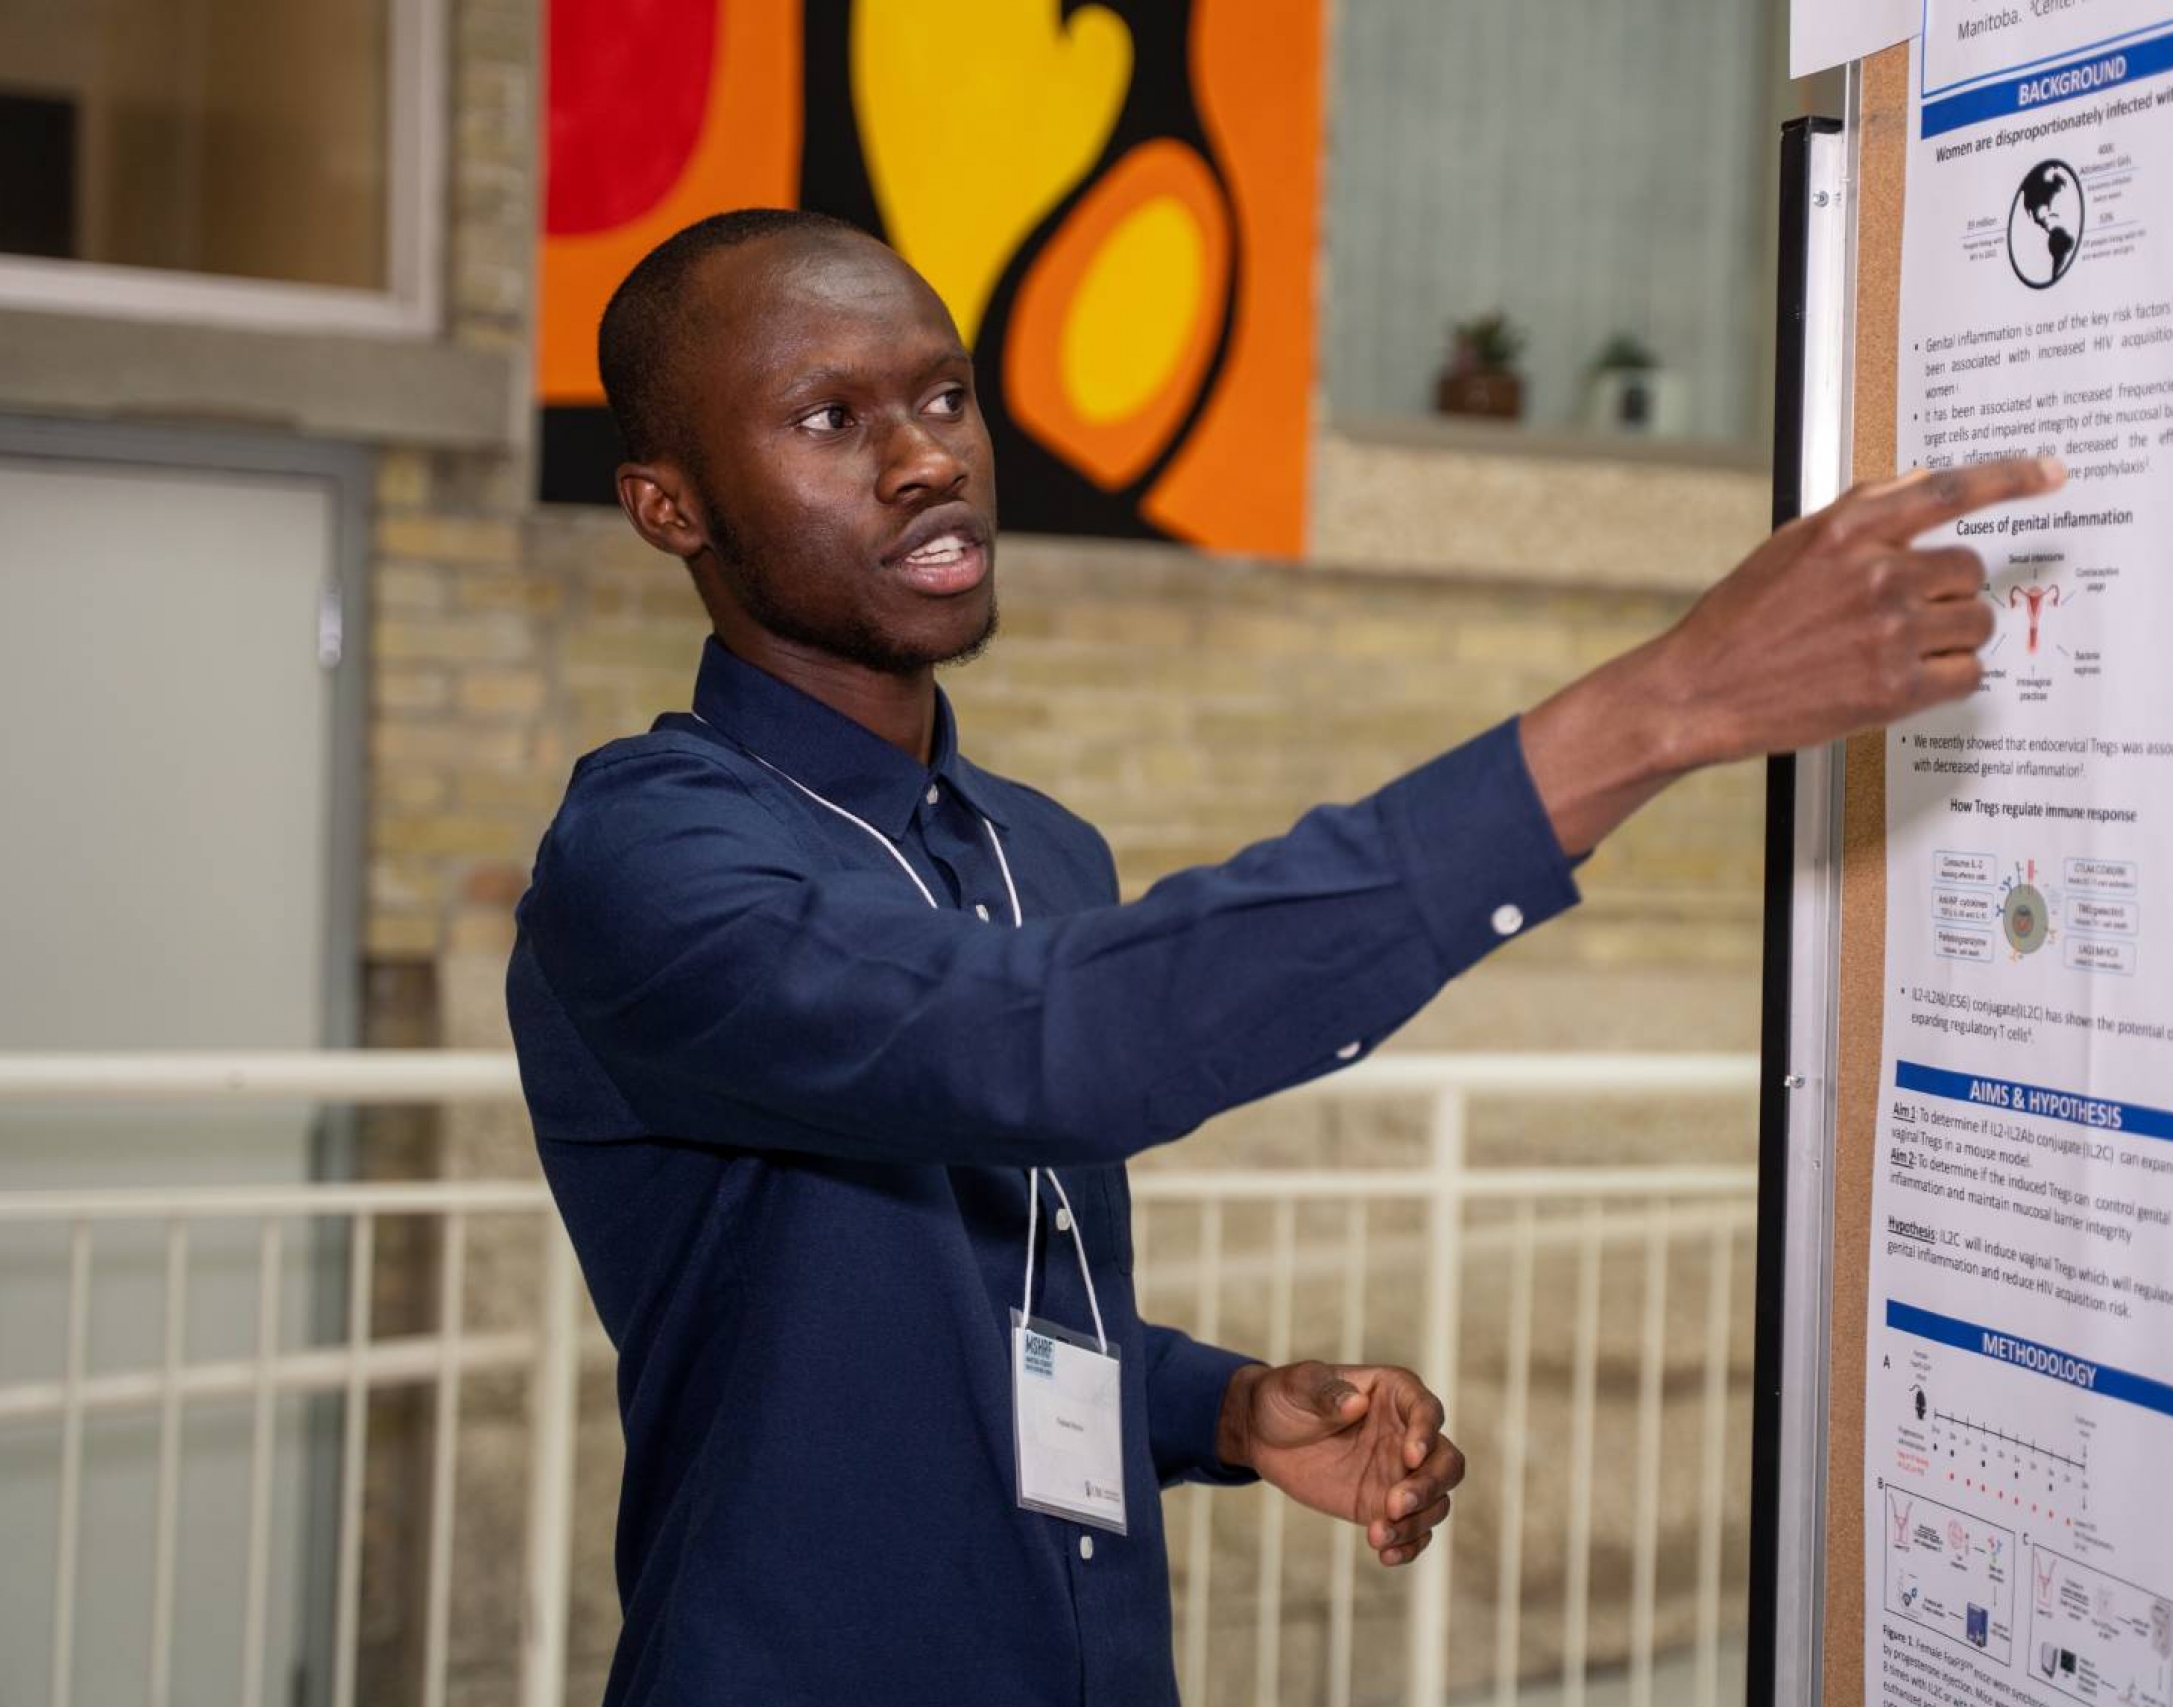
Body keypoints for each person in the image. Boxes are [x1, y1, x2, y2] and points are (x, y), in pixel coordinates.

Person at [506, 206, 2061, 1705]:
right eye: (830, 419)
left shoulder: (1037, 847)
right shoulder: (643, 858)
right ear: (668, 507)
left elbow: (959, 1308)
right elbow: (1037, 1045)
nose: (926, 458)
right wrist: (1659, 712)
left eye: (945, 396)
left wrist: (1225, 1409)